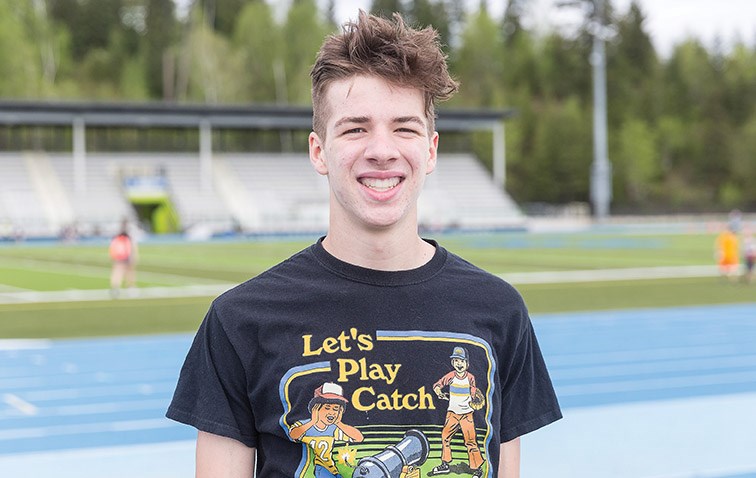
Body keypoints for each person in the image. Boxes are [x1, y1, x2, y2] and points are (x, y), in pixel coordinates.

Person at [167, 11, 561, 478]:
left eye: (404, 128)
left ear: (430, 150)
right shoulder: (240, 320)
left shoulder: (499, 310)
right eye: (356, 128)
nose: (382, 149)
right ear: (319, 150)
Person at [109, 225, 137, 296]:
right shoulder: (127, 239)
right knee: (129, 273)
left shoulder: (116, 239)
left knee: (118, 273)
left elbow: (112, 249)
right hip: (125, 257)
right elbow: (132, 249)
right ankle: (130, 288)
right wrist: (133, 257)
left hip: (119, 258)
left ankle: (115, 288)